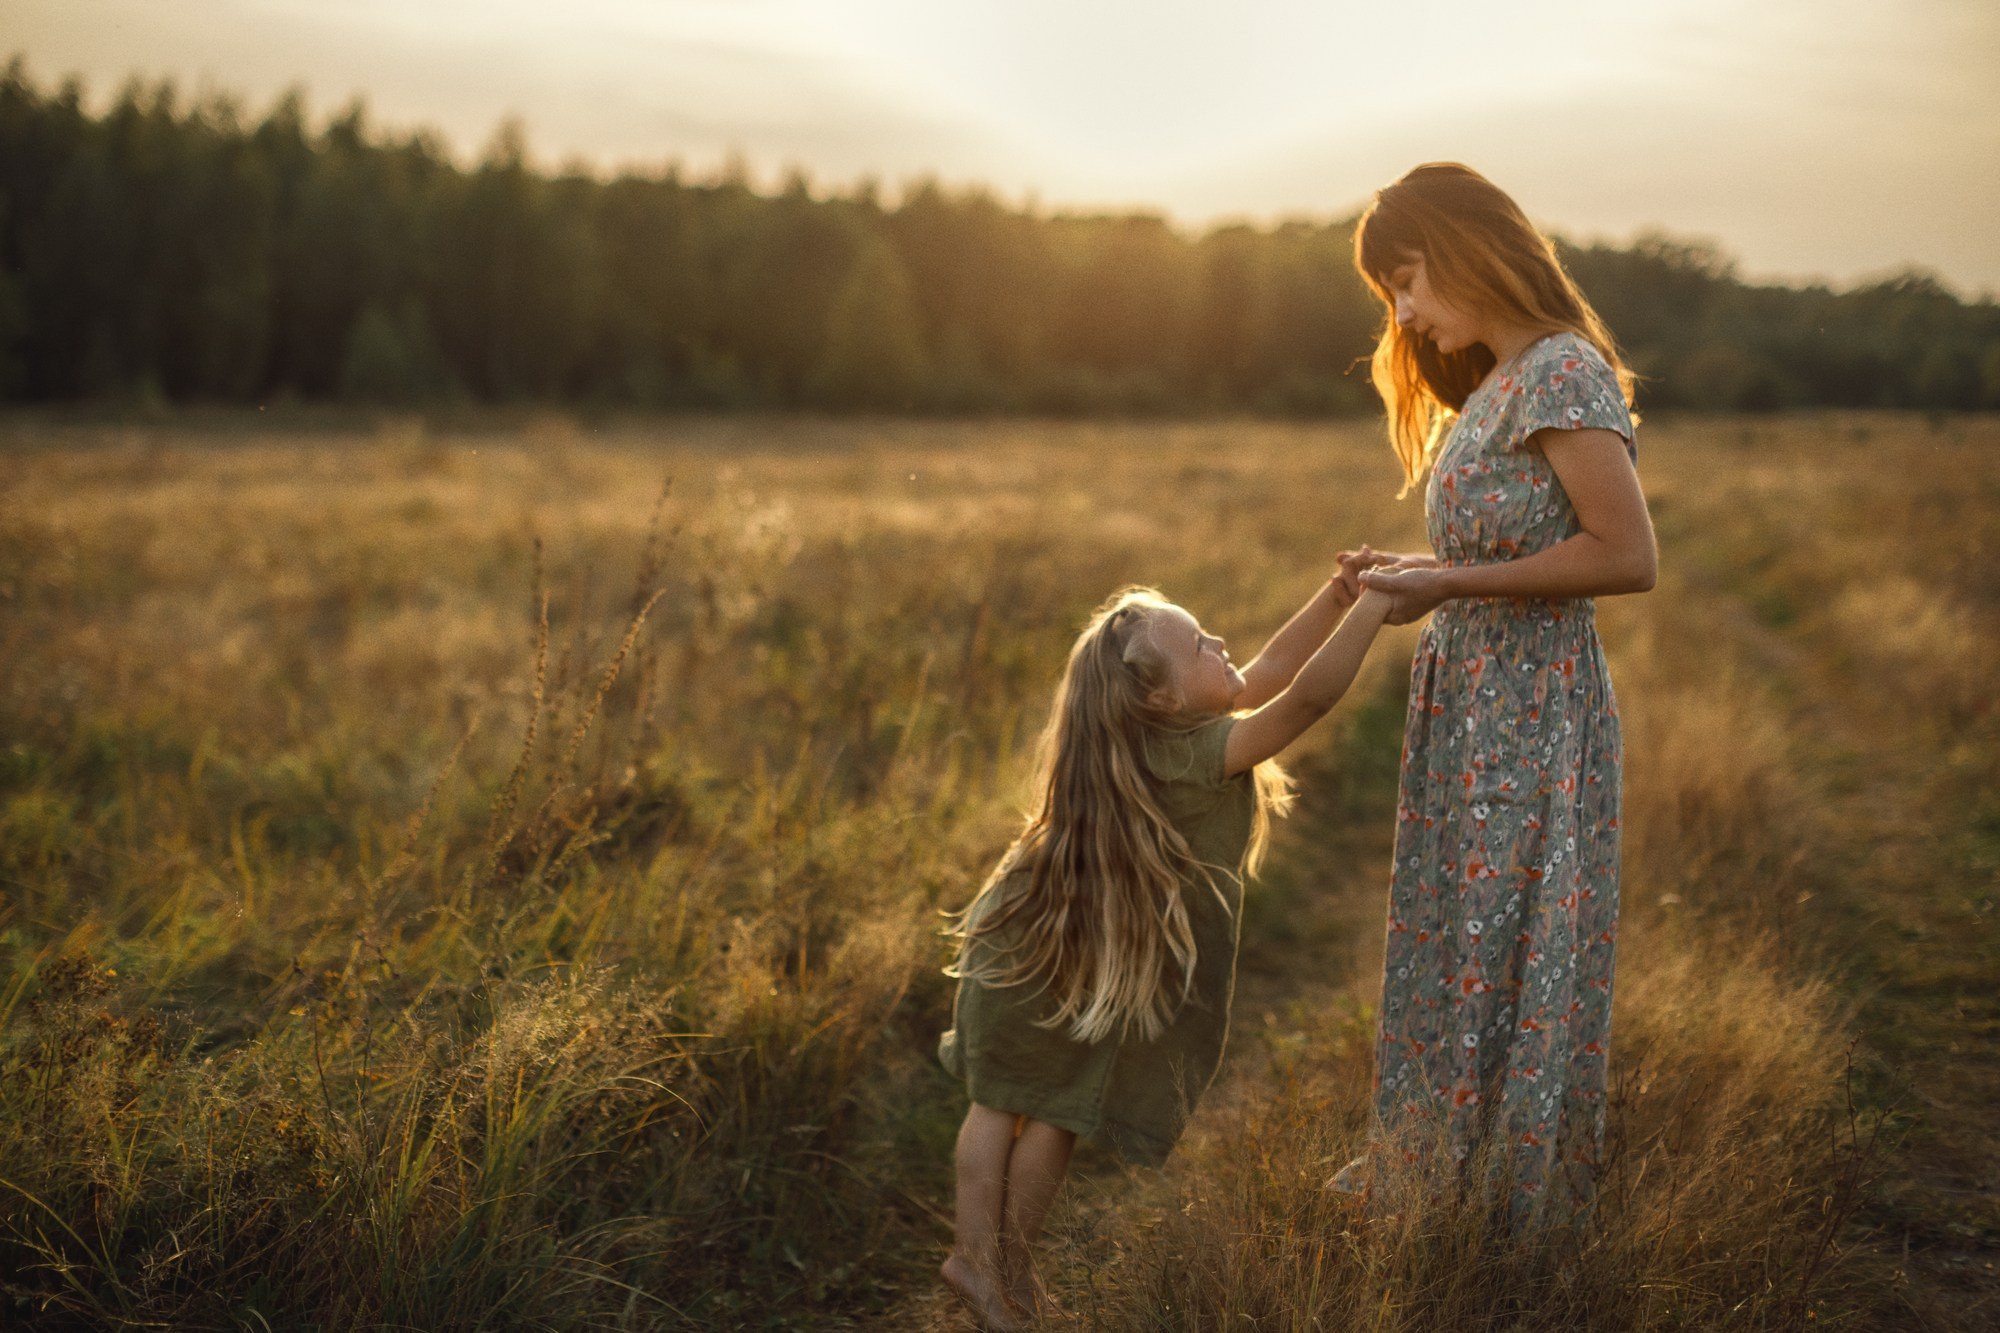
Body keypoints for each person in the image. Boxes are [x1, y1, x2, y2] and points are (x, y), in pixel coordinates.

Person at [1329, 162, 1657, 1226]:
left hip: (1526, 699)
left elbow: (1624, 554)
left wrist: (1449, 580)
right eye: (1389, 295)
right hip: (1474, 694)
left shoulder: (1560, 371)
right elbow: (1513, 535)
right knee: (1457, 926)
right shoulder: (1496, 381)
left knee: (1504, 931)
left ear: (1467, 248)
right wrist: (1417, 567)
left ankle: (1495, 1204)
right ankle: (1434, 1171)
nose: (1405, 313)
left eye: (1407, 280)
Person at [937, 578, 1392, 1329]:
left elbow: (1272, 667)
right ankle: (979, 1264)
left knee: (1033, 1104)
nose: (1221, 646)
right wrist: (1373, 610)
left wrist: (1337, 596)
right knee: (1027, 1105)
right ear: (1161, 700)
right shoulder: (1199, 750)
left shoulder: (1161, 733)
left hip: (1035, 931)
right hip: (1041, 947)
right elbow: (1303, 698)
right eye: (1202, 644)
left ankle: (1005, 1270)